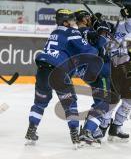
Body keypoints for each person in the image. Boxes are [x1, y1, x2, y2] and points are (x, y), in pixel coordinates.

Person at [24, 9, 102, 149]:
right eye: (71, 20)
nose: (73, 23)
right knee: (70, 104)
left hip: (42, 71)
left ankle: (31, 131)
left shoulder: (54, 33)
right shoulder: (71, 32)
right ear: (65, 22)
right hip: (58, 71)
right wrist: (98, 45)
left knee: (39, 103)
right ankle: (74, 136)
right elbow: (89, 51)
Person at [94, 4, 131, 142]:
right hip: (110, 68)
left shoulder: (119, 28)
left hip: (126, 67)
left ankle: (117, 126)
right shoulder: (95, 36)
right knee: (112, 100)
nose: (106, 27)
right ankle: (103, 126)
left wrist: (130, 15)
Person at [73, 9, 112, 147]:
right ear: (83, 19)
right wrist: (102, 29)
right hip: (97, 70)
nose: (90, 19)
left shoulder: (79, 32)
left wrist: (101, 26)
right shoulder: (83, 32)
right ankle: (87, 131)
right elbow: (100, 41)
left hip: (88, 70)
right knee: (105, 102)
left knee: (100, 101)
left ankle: (89, 130)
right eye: (88, 18)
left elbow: (100, 37)